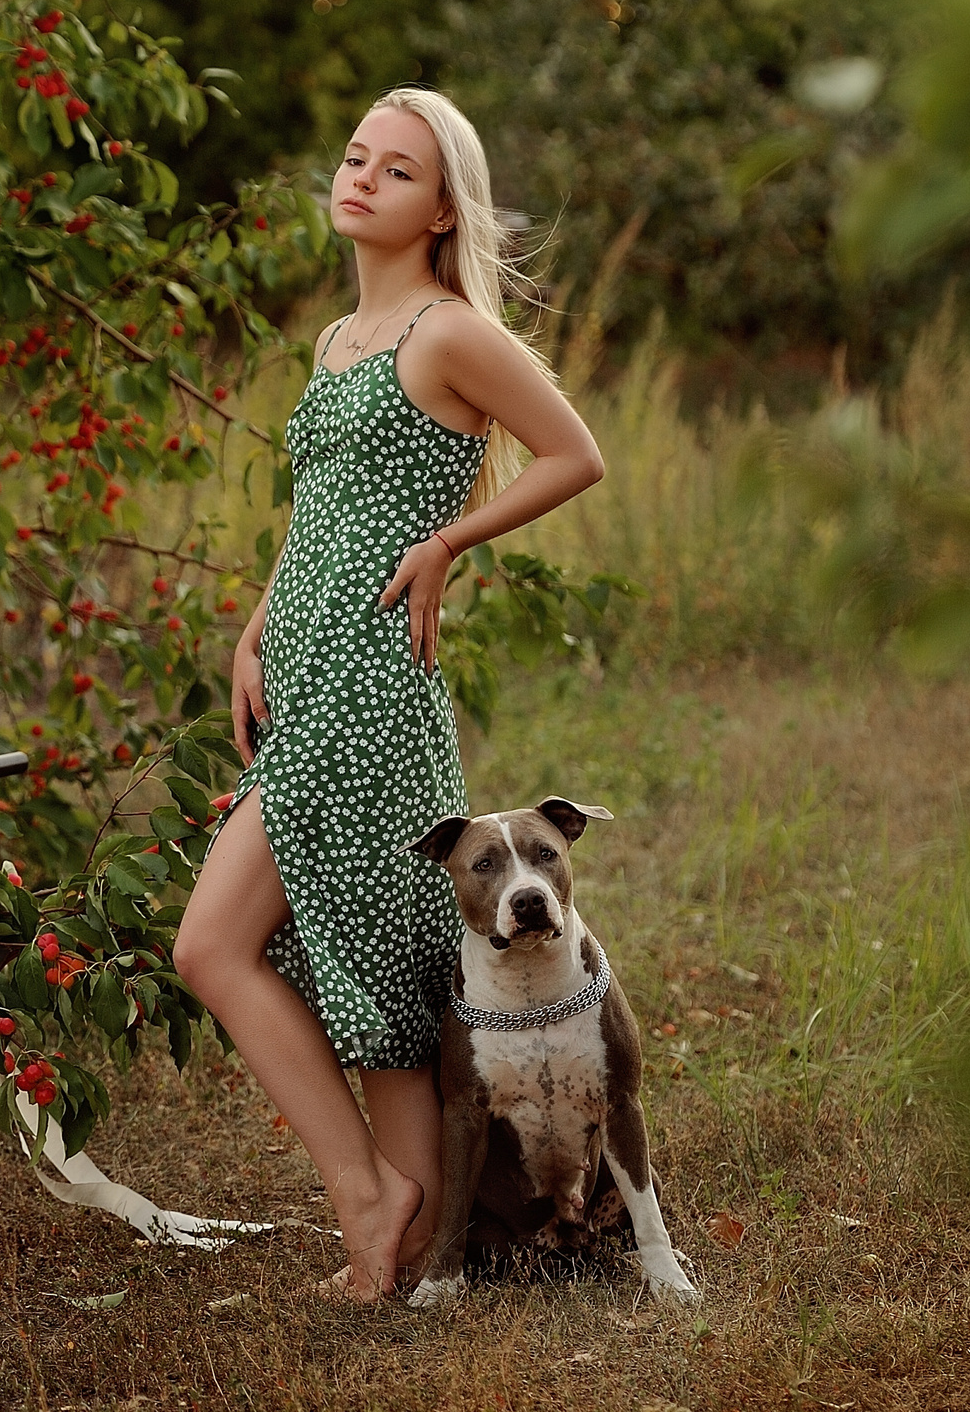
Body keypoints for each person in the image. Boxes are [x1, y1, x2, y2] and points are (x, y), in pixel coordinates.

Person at [171, 85, 606, 1302]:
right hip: (302, 670)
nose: (359, 177)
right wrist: (258, 620)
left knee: (215, 946)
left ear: (435, 211)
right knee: (373, 965)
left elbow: (578, 455)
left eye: (396, 170)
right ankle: (408, 1246)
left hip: (370, 688)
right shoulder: (336, 343)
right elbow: (319, 514)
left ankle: (375, 1199)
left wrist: (451, 543)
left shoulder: (446, 332)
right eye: (354, 154)